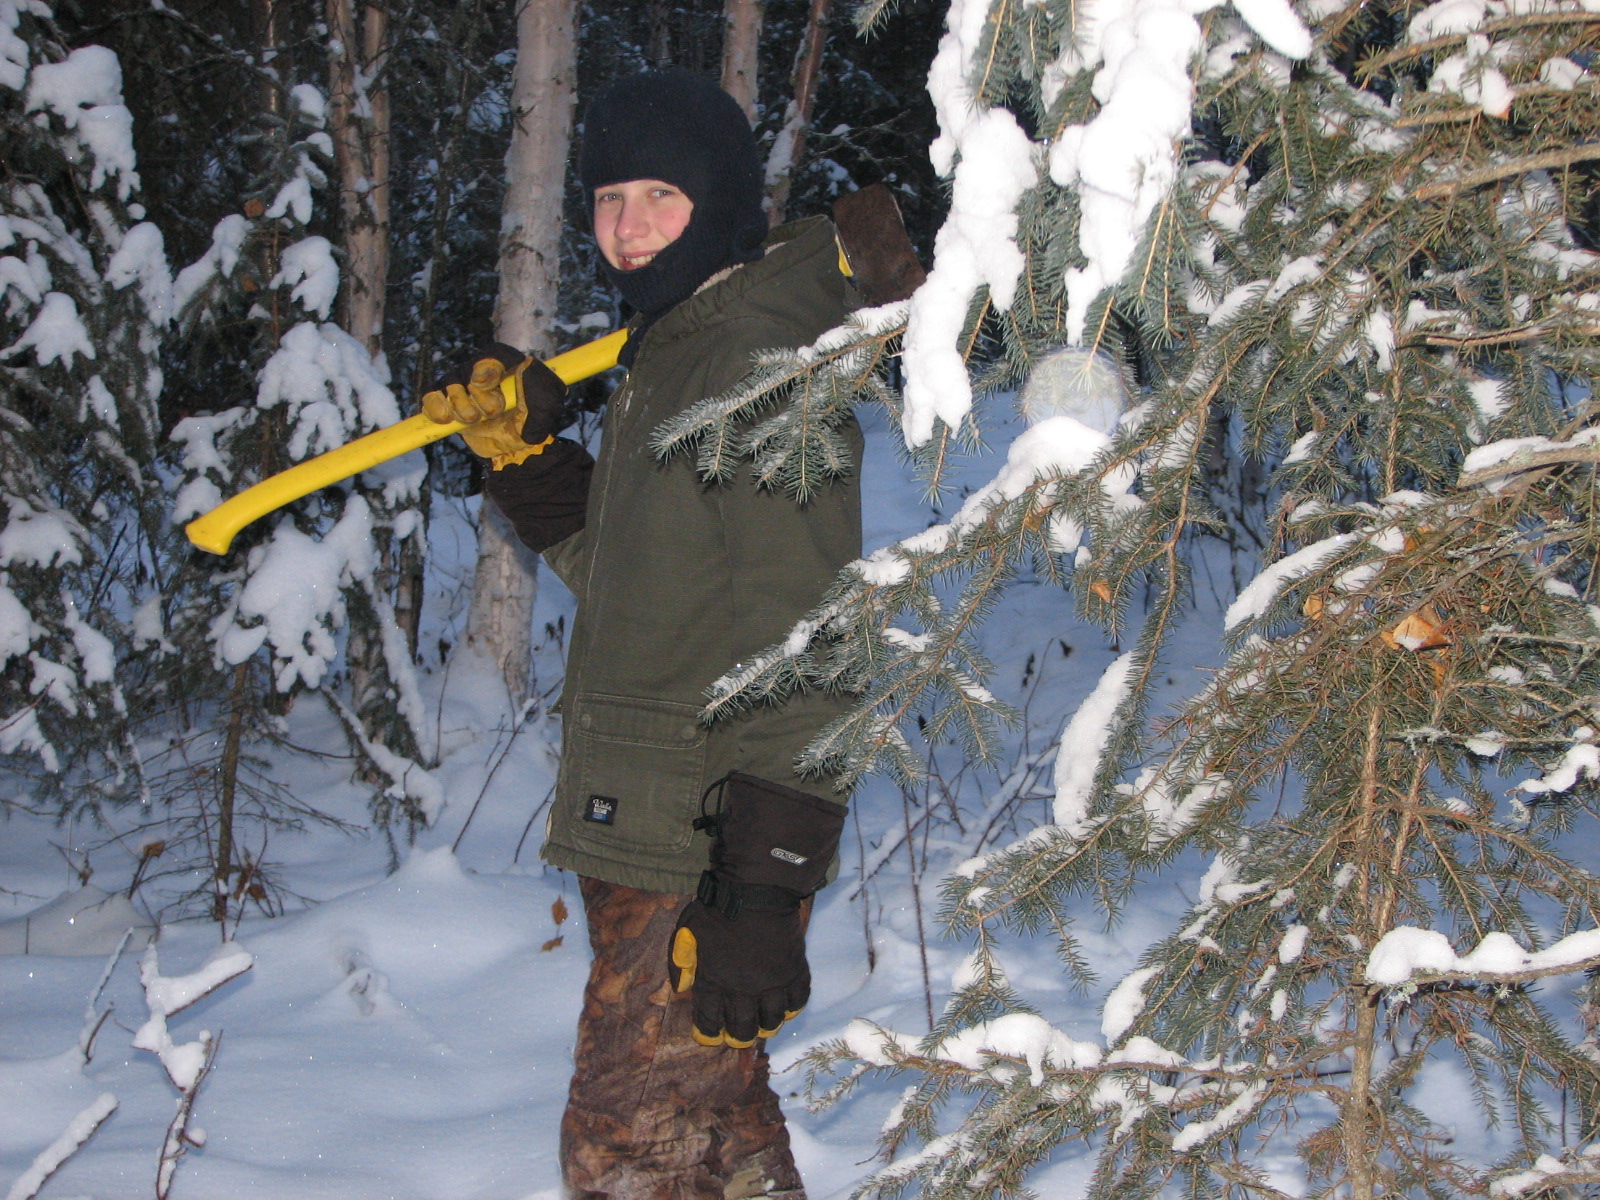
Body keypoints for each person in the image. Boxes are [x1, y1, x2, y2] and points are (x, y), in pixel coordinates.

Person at [422, 69, 867, 1200]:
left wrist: (760, 890)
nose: (627, 228)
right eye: (609, 199)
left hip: (702, 838)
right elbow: (644, 579)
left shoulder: (752, 366)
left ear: (720, 204)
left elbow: (809, 642)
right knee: (714, 1133)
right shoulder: (673, 351)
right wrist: (530, 460)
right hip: (656, 818)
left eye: (661, 196)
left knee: (627, 1148)